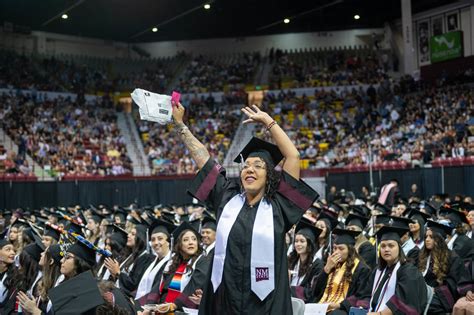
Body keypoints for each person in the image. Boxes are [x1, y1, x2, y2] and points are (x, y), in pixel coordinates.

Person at [175, 102, 319, 314]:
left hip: (266, 304)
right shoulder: (227, 198)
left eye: (258, 166)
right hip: (225, 300)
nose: (250, 169)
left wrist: (268, 122)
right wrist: (180, 125)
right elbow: (203, 159)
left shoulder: (280, 206)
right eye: (246, 166)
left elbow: (293, 157)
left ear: (269, 175)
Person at [144, 221, 210, 313]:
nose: (191, 242)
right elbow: (159, 286)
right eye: (186, 240)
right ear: (179, 245)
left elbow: (194, 286)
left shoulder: (202, 261)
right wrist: (149, 306)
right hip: (164, 307)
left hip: (183, 310)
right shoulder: (173, 263)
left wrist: (174, 305)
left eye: (194, 239)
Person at [367, 226, 427, 315]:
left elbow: (404, 303)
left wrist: (380, 314)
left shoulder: (409, 271)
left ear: (399, 248)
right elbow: (367, 294)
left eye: (391, 246)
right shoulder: (378, 271)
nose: (386, 249)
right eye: (383, 246)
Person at [310, 229, 372, 314]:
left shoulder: (362, 269)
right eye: (335, 248)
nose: (336, 252)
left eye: (341, 248)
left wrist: (339, 305)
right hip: (324, 305)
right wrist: (326, 269)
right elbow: (316, 292)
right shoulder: (331, 264)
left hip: (344, 309)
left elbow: (361, 295)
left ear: (350, 250)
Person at [421, 221, 464, 314]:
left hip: (439, 297)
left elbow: (453, 282)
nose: (427, 240)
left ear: (439, 239)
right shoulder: (423, 256)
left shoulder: (452, 257)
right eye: (426, 237)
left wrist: (435, 291)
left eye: (431, 237)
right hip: (422, 293)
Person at [103, 224, 154, 297]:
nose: (128, 235)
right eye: (129, 233)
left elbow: (134, 284)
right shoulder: (131, 256)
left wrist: (117, 273)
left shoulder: (145, 258)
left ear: (140, 237)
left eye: (133, 234)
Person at [135, 219, 175, 306]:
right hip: (144, 303)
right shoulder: (151, 261)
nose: (156, 242)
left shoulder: (171, 263)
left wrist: (136, 304)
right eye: (153, 240)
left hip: (154, 306)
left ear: (168, 242)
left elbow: (157, 291)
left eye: (160, 239)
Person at [288, 218, 324, 302]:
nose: (298, 244)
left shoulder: (317, 265)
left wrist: (289, 289)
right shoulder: (292, 260)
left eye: (302, 241)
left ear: (309, 244)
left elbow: (312, 292)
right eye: (296, 241)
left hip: (303, 304)